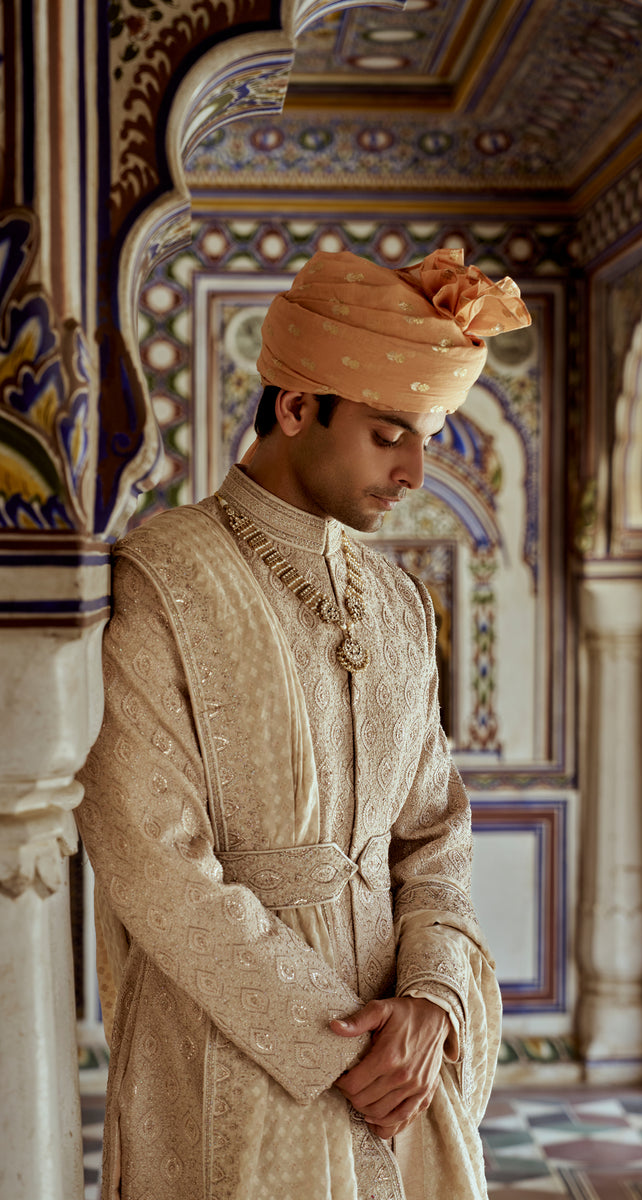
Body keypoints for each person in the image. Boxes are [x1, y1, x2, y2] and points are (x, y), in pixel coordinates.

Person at [76, 248, 530, 1200]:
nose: (415, 471)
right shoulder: (163, 577)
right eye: (388, 434)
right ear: (295, 409)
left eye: (427, 437)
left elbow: (433, 836)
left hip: (404, 1079)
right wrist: (338, 1046)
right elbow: (146, 851)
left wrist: (430, 1003)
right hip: (228, 1070)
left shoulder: (400, 603)